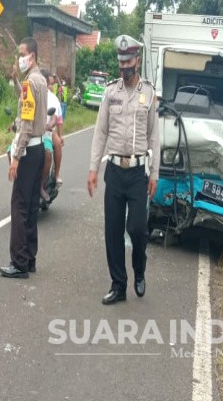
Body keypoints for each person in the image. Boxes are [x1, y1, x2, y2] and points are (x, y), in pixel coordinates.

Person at [87, 34, 160, 305]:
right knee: (113, 231)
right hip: (115, 172)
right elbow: (100, 132)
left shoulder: (149, 93)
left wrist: (154, 173)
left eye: (128, 61)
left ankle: (139, 269)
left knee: (137, 228)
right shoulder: (110, 93)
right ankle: (119, 285)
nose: (124, 66)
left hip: (138, 173)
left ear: (137, 60)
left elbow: (154, 136)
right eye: (121, 62)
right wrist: (93, 168)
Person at [0, 37, 48, 279]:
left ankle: (18, 262)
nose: (19, 58)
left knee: (18, 205)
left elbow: (26, 124)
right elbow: (27, 110)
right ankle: (29, 258)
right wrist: (17, 81)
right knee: (30, 205)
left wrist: (16, 156)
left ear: (33, 56)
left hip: (28, 151)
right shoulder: (39, 80)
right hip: (39, 149)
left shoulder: (31, 83)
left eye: (22, 54)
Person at [39, 70, 62, 201]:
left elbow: (55, 118)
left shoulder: (52, 98)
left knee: (49, 151)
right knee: (11, 151)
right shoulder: (28, 94)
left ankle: (43, 184)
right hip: (28, 134)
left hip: (45, 133)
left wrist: (50, 125)